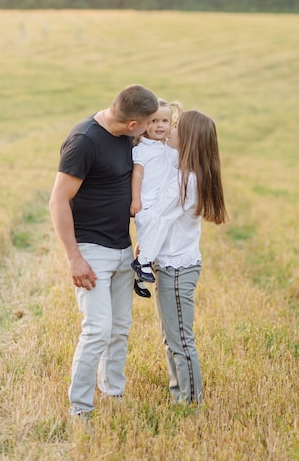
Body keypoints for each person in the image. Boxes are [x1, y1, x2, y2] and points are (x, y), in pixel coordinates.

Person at [49, 84, 159, 417]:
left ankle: (113, 395)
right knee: (97, 329)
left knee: (119, 328)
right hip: (91, 250)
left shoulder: (128, 137)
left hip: (122, 248)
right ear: (132, 124)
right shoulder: (84, 141)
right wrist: (74, 258)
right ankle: (80, 409)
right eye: (148, 123)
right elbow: (58, 201)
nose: (150, 128)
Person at [135, 110, 228, 405]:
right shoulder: (183, 175)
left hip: (177, 268)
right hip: (171, 264)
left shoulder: (185, 181)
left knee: (180, 341)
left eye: (174, 126)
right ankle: (180, 395)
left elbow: (158, 220)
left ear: (186, 138)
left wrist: (142, 258)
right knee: (171, 338)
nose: (168, 129)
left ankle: (190, 403)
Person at [130, 99, 182, 297]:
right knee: (149, 235)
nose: (159, 125)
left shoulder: (168, 149)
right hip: (147, 201)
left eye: (165, 121)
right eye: (154, 121)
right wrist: (136, 199)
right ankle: (141, 264)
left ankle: (139, 274)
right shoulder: (142, 149)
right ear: (144, 125)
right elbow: (137, 175)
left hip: (162, 202)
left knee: (151, 238)